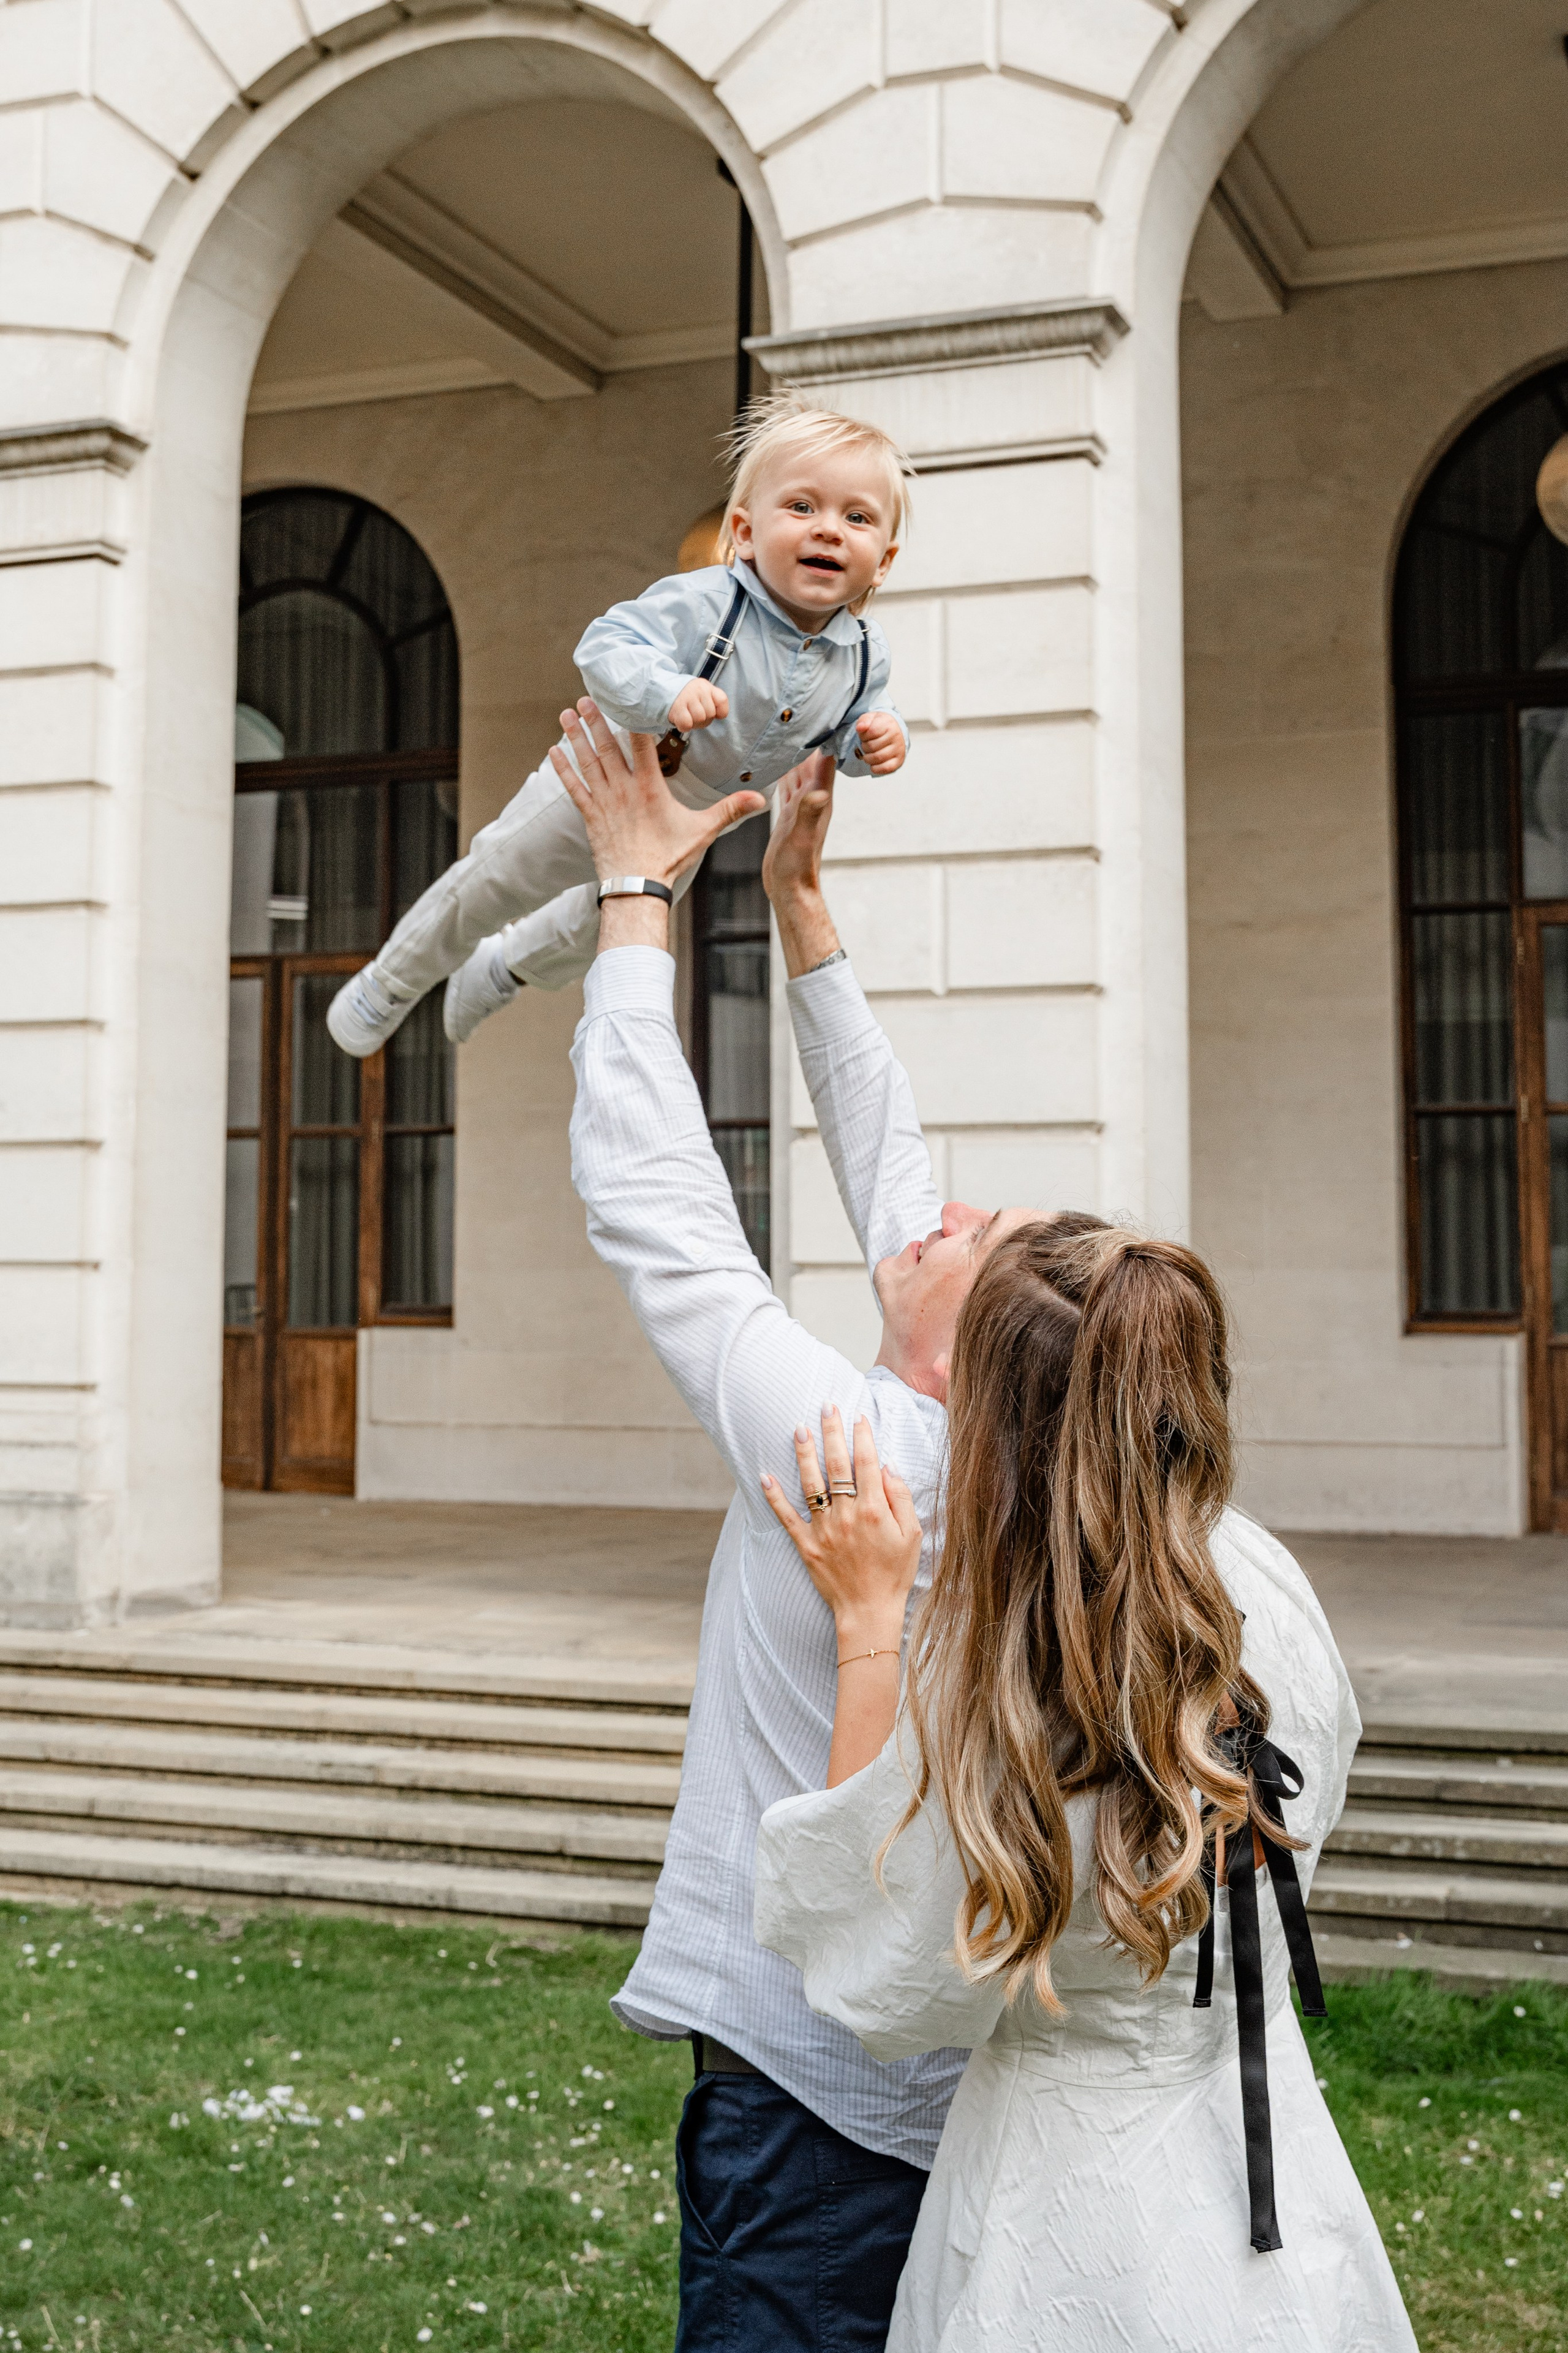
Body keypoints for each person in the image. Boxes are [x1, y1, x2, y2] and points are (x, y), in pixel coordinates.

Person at [557, 700, 1038, 2350]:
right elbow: (893, 1158)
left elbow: (661, 1210)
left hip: (814, 2106)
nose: (947, 1208)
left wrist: (636, 897)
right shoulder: (1009, 1444)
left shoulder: (860, 1448)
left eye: (990, 1230)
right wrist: (805, 907)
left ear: (979, 1334)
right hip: (943, 2094)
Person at [752, 1244, 1420, 2349]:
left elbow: (885, 1973)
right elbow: (1312, 1804)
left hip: (1060, 2202)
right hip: (1272, 2165)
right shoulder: (1270, 1588)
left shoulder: (1005, 1671)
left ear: (994, 1430)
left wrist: (870, 1628)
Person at [326, 395, 909, 1059]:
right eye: (802, 507)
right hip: (606, 776)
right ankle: (391, 981)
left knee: (601, 927)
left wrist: (879, 739)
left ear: (882, 561)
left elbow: (859, 726)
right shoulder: (707, 601)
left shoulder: (864, 655)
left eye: (856, 517)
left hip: (688, 818)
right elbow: (605, 647)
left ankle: (505, 966)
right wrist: (668, 692)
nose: (829, 529)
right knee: (493, 881)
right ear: (744, 533)